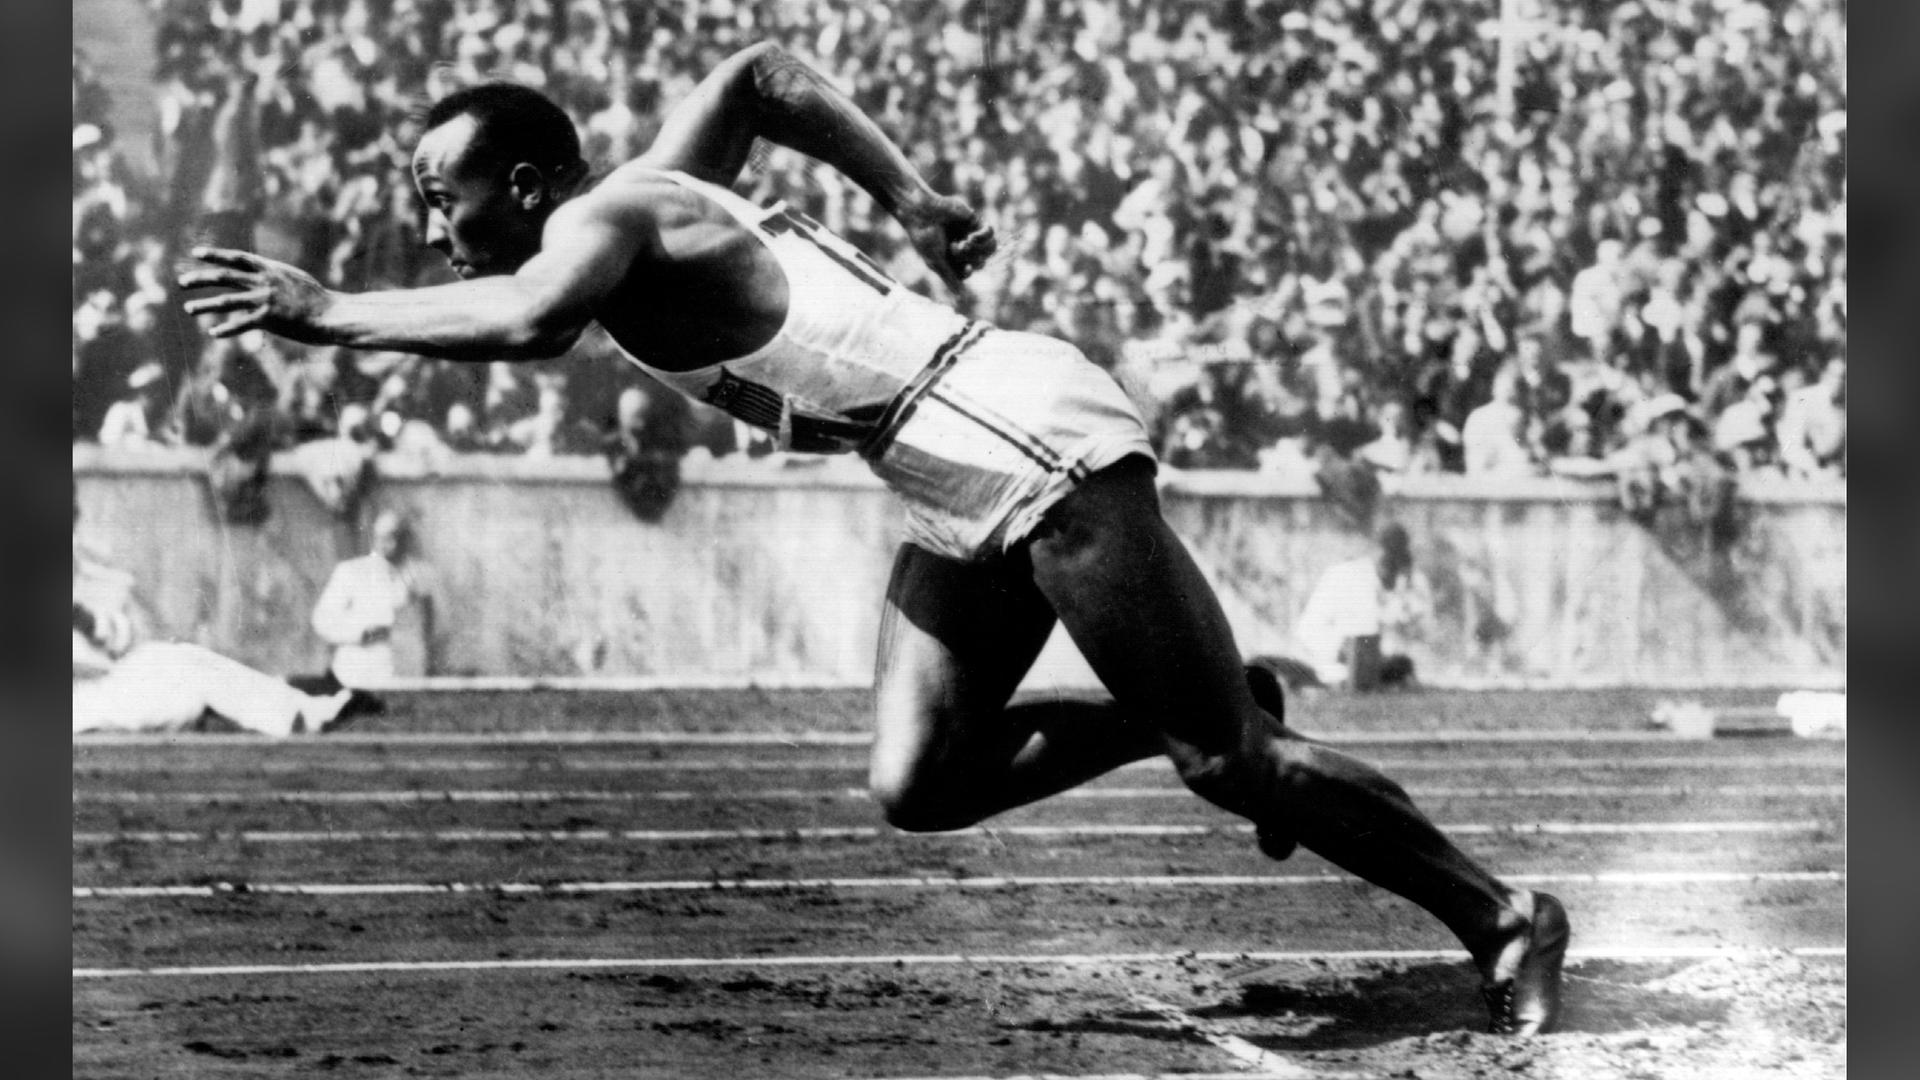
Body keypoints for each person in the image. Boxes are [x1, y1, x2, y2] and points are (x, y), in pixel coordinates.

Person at [178, 43, 1567, 1034]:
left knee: (1232, 763)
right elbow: (769, 75)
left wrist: (323, 310)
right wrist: (910, 198)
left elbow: (530, 323)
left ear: (534, 183)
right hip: (938, 461)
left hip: (1009, 428)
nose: (433, 228)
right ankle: (1169, 715)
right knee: (921, 777)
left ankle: (1500, 914)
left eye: (445, 195)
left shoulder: (602, 218)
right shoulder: (651, 193)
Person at [73, 496, 351, 737]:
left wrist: (89, 622)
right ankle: (300, 715)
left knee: (181, 656)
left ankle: (301, 709)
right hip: (79, 703)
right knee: (192, 681)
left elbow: (118, 639)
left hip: (105, 685)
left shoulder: (80, 573)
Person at [1292, 523, 1432, 691]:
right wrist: (1341, 649)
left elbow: (1426, 635)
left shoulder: (1415, 582)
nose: (1391, 569)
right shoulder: (1342, 576)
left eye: (1397, 560)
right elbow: (1307, 629)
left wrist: (1409, 614)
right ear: (1374, 551)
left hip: (1395, 677)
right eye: (1387, 560)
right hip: (1340, 673)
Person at [310, 508, 435, 690]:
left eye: (396, 536)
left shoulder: (423, 575)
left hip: (407, 676)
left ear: (406, 539)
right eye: (381, 537)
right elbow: (321, 620)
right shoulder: (352, 572)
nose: (388, 543)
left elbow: (436, 626)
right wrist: (362, 633)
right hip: (359, 676)